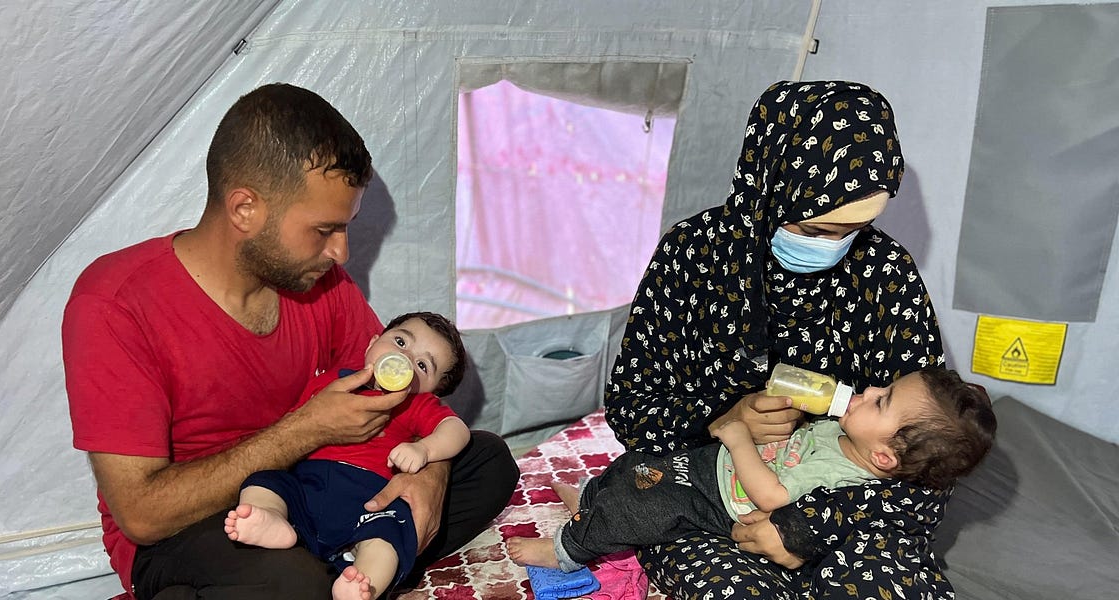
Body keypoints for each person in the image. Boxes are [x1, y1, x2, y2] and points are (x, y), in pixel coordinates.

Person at [63, 83, 519, 600]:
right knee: (290, 581)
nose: (342, 252)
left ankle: (349, 572)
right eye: (325, 230)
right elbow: (142, 516)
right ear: (245, 209)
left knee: (487, 461)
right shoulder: (116, 303)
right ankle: (339, 573)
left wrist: (428, 478)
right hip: (192, 528)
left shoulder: (320, 283)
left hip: (320, 489)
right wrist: (302, 431)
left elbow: (399, 398)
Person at [603, 80, 955, 599]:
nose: (835, 245)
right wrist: (724, 417)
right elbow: (631, 409)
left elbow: (931, 460)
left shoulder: (886, 274)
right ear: (767, 186)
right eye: (815, 229)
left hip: (850, 508)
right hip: (706, 491)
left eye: (855, 228)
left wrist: (807, 526)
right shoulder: (692, 258)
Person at [508, 367, 996, 572]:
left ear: (885, 457)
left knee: (644, 506)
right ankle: (593, 499)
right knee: (639, 465)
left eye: (881, 401)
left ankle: (568, 550)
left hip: (722, 499)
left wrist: (740, 437)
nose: (866, 391)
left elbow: (773, 498)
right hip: (715, 467)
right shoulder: (848, 436)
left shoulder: (841, 474)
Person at [224, 311, 471, 600]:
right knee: (263, 481)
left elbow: (456, 430)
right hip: (309, 485)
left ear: (433, 391)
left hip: (368, 499)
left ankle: (362, 583)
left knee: (390, 533)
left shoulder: (416, 404)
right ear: (372, 344)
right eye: (400, 342)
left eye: (421, 365)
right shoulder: (333, 383)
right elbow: (294, 425)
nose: (403, 359)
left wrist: (425, 449)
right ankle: (271, 519)